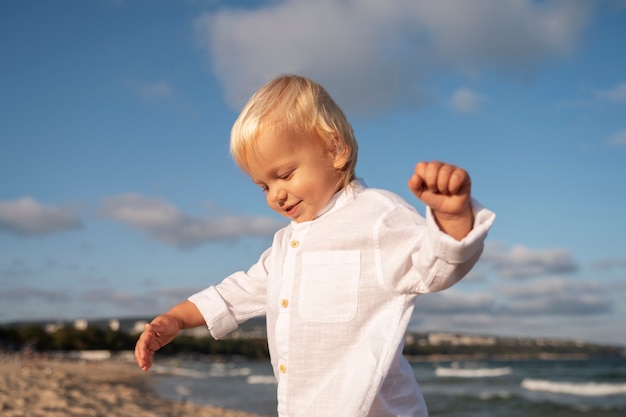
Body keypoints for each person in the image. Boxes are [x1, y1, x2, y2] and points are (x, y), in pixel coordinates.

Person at [135, 74, 495, 417]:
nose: (276, 194)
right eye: (263, 186)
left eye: (286, 174)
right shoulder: (285, 245)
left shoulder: (376, 217)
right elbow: (235, 293)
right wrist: (177, 319)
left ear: (335, 149)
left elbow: (433, 267)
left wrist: (452, 220)